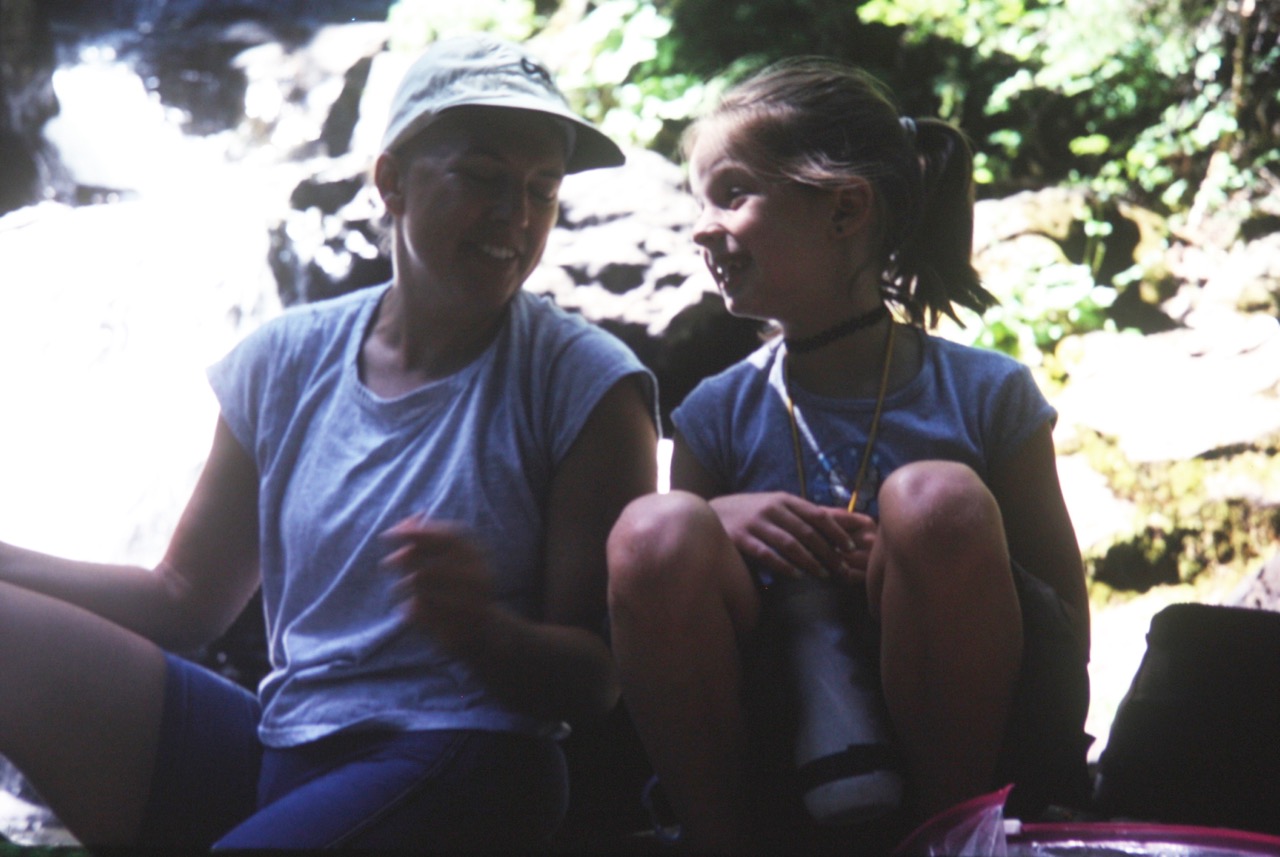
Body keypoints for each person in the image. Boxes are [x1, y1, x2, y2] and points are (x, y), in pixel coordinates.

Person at [0, 33, 657, 851]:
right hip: (282, 741)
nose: (515, 216)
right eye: (482, 176)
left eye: (542, 189)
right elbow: (184, 597)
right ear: (391, 181)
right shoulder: (285, 358)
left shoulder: (587, 384)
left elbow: (597, 680)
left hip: (471, 756)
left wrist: (482, 629)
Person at [607, 57, 1091, 853]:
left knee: (936, 501)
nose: (701, 228)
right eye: (700, 202)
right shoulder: (716, 414)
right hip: (774, 762)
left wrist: (930, 560)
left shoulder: (988, 395)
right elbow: (674, 612)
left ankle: (950, 837)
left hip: (980, 760)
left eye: (732, 195)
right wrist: (716, 518)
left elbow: (1065, 632)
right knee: (656, 528)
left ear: (844, 209)